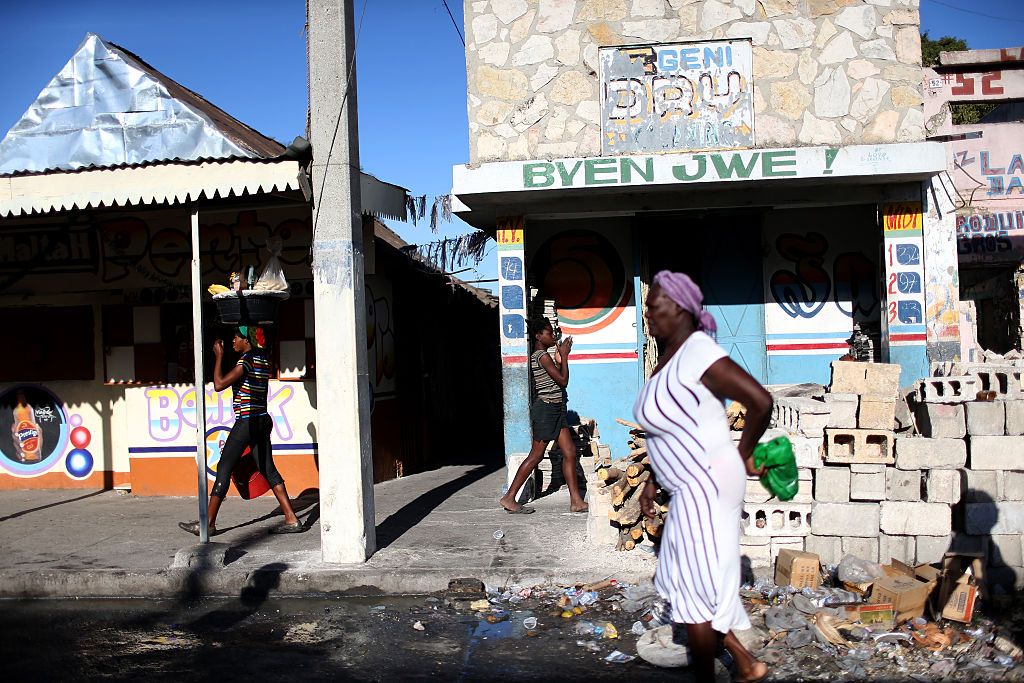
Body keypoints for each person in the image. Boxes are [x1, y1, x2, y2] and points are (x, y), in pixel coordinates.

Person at [634, 271, 771, 683]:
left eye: (654, 305)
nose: (648, 313)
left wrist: (742, 452)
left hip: (707, 482)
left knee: (693, 594)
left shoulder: (697, 352)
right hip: (688, 485)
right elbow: (669, 429)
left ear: (679, 308)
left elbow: (759, 401)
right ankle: (746, 664)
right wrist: (653, 480)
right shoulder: (669, 357)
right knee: (683, 581)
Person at [179, 325, 305, 536]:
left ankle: (208, 524)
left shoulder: (246, 360)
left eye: (237, 337)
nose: (233, 341)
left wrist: (218, 356)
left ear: (247, 341)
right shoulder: (262, 359)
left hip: (246, 422)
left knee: (224, 468)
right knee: (268, 469)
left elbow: (219, 385)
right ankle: (292, 519)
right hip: (262, 419)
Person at [498, 317, 588, 515]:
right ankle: (509, 498)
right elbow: (563, 381)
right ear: (539, 336)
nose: (553, 335)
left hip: (556, 410)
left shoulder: (545, 356)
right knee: (536, 455)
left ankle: (576, 501)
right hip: (546, 410)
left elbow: (556, 379)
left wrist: (561, 357)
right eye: (548, 333)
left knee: (570, 452)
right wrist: (564, 356)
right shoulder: (541, 356)